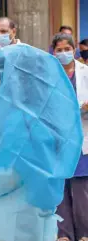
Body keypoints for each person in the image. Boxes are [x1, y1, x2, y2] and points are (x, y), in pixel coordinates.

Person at [0, 42, 83, 241]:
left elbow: (3, 176)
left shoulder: (17, 120)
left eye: (1, 76)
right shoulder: (47, 113)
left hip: (13, 220)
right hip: (38, 212)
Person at [52, 33, 88, 241]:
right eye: (59, 49)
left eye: (67, 49)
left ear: (74, 50)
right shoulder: (50, 75)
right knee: (61, 188)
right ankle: (64, 234)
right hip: (57, 138)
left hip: (81, 137)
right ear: (54, 52)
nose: (64, 53)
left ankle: (84, 233)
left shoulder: (85, 73)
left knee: (81, 188)